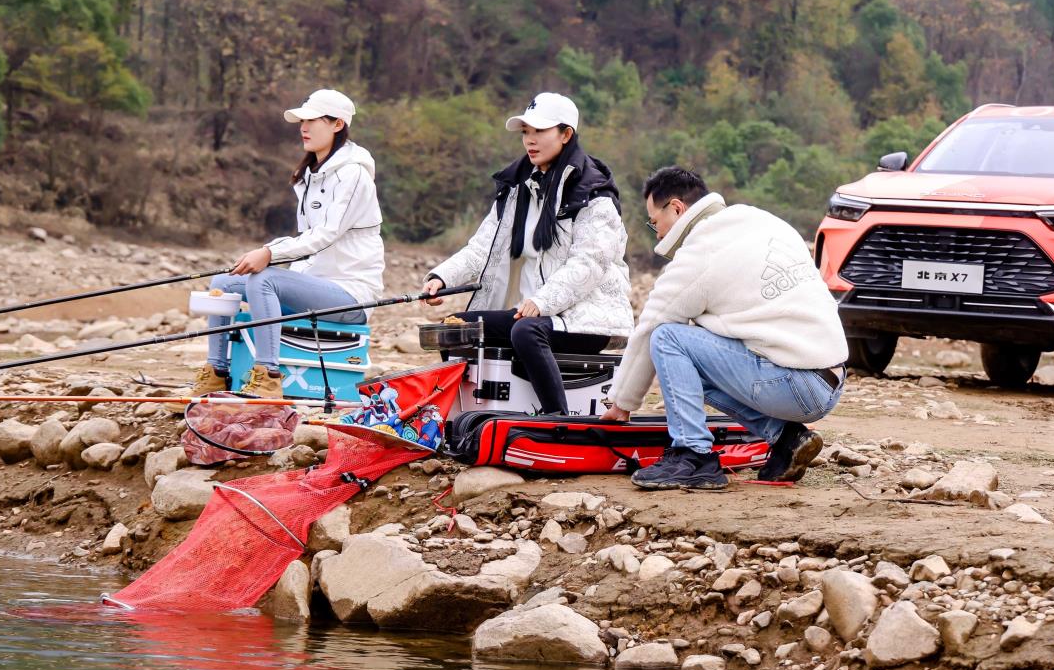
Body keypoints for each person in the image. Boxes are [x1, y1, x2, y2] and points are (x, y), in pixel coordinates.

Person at [601, 168, 847, 491]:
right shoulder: (757, 219)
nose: (656, 233)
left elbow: (652, 326)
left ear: (676, 209)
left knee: (668, 338)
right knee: (691, 367)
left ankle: (692, 455)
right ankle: (788, 438)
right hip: (831, 378)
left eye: (654, 221)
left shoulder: (700, 251)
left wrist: (621, 403)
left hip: (792, 382)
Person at [422, 92, 632, 415]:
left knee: (526, 331)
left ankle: (557, 419)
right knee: (455, 327)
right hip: (535, 314)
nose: (529, 140)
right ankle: (465, 417)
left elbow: (590, 264)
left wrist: (543, 301)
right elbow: (481, 248)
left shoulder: (594, 194)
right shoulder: (517, 187)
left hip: (587, 319)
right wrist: (441, 277)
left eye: (539, 131)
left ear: (566, 134)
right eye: (525, 132)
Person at [190, 89, 385, 400]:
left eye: (312, 120)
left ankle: (267, 376)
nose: (303, 127)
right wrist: (266, 252)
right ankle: (217, 372)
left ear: (337, 124)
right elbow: (306, 236)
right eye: (301, 121)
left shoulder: (353, 175)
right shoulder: (312, 174)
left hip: (351, 295)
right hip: (315, 287)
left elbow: (326, 235)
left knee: (265, 280)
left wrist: (269, 253)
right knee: (224, 282)